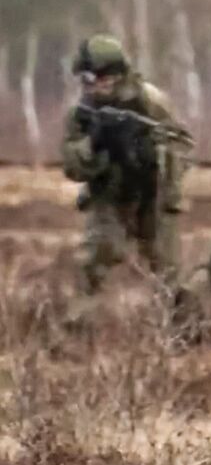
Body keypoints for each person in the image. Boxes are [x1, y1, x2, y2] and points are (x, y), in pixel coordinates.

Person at [61, 34, 192, 296]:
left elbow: (183, 146)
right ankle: (77, 328)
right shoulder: (81, 115)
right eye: (87, 80)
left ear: (116, 75)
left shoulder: (151, 102)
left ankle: (182, 332)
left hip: (154, 194)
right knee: (90, 266)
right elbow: (72, 167)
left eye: (99, 79)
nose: (93, 87)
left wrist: (150, 153)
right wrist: (95, 144)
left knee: (169, 274)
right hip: (109, 193)